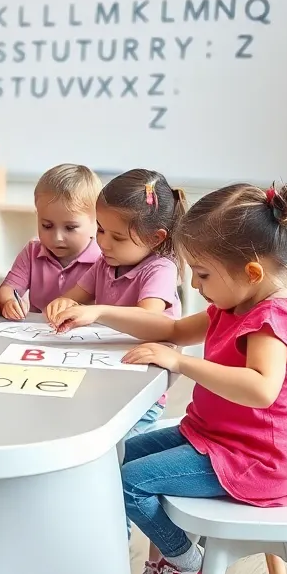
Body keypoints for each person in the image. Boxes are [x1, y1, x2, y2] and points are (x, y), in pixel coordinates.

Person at [52, 182, 287, 574]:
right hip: (212, 437)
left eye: (204, 273)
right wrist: (99, 312)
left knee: (128, 482)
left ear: (251, 272)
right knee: (106, 457)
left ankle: (182, 559)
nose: (195, 283)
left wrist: (180, 363)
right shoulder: (234, 305)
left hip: (253, 460)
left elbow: (261, 388)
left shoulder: (271, 318)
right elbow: (172, 329)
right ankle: (166, 556)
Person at [45, 168, 186, 438]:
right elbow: (73, 297)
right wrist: (61, 304)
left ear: (155, 238)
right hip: (104, 380)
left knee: (100, 444)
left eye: (117, 237)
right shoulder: (105, 264)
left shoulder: (160, 269)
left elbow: (149, 318)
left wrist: (97, 311)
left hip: (139, 398)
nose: (103, 243)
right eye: (100, 230)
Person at [0, 163, 102, 319]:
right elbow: (9, 288)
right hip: (36, 334)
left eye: (70, 228)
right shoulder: (32, 251)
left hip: (84, 336)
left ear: (96, 221)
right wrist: (9, 302)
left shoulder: (104, 259)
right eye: (47, 226)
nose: (57, 237)